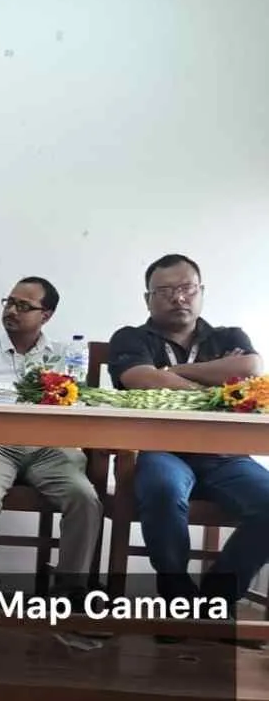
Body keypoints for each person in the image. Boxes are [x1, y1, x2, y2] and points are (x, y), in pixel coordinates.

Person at [108, 253, 269, 604]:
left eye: (186, 288)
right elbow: (139, 378)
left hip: (225, 455)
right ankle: (176, 592)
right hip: (160, 450)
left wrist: (169, 373)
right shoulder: (130, 338)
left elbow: (251, 368)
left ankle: (218, 595)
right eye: (165, 291)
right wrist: (215, 384)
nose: (178, 298)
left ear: (201, 291)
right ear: (148, 298)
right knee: (163, 490)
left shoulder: (228, 336)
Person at [0, 277, 103, 594]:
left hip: (51, 449)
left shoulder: (65, 356)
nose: (12, 310)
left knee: (84, 497)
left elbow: (81, 407)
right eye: (9, 302)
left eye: (23, 306)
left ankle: (71, 589)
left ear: (46, 315)